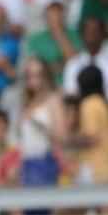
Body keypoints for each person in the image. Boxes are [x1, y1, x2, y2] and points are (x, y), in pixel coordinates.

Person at [63, 65, 108, 186]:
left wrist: (66, 140)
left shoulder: (89, 104)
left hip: (95, 170)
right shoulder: (106, 104)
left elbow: (91, 138)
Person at [18, 58, 67, 187]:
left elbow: (62, 136)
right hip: (27, 163)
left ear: (46, 76)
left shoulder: (53, 100)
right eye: (30, 76)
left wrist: (41, 128)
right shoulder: (26, 104)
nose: (34, 81)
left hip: (45, 161)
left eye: (38, 75)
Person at [62, 16, 108, 100]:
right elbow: (70, 92)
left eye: (95, 31)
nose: (91, 35)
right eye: (88, 32)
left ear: (103, 34)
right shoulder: (73, 64)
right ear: (82, 35)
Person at [26, 0, 81, 86]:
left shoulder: (75, 35)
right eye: (51, 16)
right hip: (44, 85)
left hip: (71, 83)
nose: (55, 19)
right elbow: (35, 68)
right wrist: (61, 64)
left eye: (58, 15)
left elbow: (75, 62)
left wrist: (59, 33)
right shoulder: (36, 39)